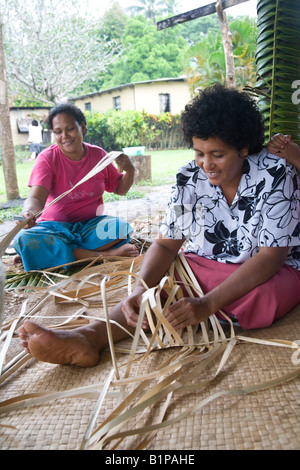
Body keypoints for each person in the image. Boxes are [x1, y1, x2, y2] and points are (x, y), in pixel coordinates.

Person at [19, 85, 300, 368]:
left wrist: (207, 304)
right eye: (199, 153)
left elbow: (270, 257)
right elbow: (167, 244)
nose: (206, 165)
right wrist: (139, 290)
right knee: (167, 278)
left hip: (270, 270)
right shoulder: (191, 177)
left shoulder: (274, 172)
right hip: (211, 266)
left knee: (264, 295)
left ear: (243, 148)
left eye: (217, 154)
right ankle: (88, 337)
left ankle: (195, 312)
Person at [14, 103, 138, 271]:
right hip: (53, 227)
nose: (64, 136)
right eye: (58, 132)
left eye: (70, 128)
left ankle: (49, 254)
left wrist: (130, 169)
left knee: (120, 228)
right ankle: (106, 255)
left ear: (83, 127)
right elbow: (36, 198)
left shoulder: (98, 155)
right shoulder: (47, 159)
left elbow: (120, 189)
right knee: (24, 238)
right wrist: (28, 213)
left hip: (89, 227)